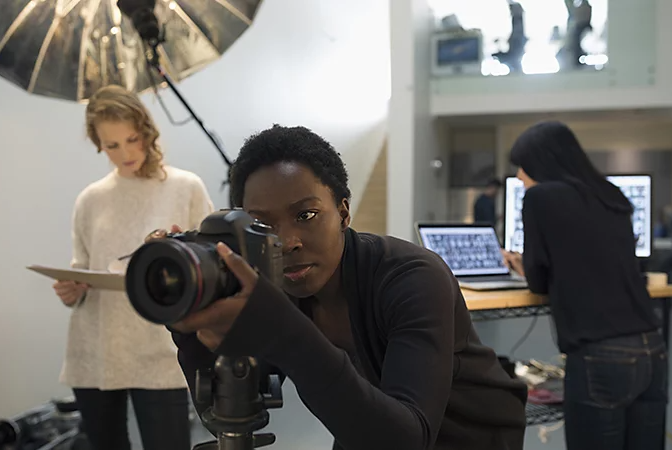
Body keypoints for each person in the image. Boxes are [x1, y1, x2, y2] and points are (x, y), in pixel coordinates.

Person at [161, 125, 528, 450]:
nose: (287, 241)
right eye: (262, 225)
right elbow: (234, 409)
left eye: (306, 215)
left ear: (344, 212)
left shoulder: (414, 277)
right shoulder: (278, 283)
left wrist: (284, 333)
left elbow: (407, 439)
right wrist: (190, 322)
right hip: (370, 424)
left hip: (471, 435)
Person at [52, 85, 214, 450]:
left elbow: (213, 264)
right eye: (112, 146)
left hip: (161, 347)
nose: (125, 153)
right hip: (96, 347)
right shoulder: (90, 200)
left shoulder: (185, 188)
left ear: (147, 130)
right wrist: (71, 291)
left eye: (132, 139)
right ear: (98, 144)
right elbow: (81, 269)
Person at [503, 120, 667, 450]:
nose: (520, 176)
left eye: (523, 165)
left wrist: (522, 265)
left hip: (599, 356)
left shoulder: (540, 198)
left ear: (542, 161)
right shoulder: (611, 195)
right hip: (651, 349)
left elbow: (537, 281)